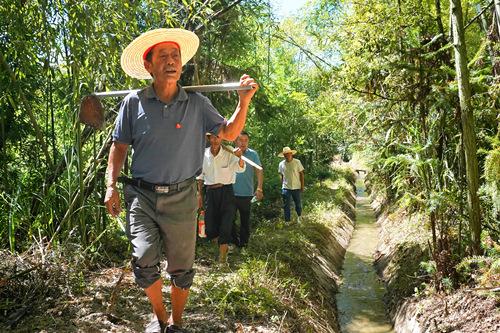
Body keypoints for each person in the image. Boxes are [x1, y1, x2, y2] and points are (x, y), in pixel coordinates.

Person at [104, 28, 258, 333]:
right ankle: (159, 317)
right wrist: (111, 185)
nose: (172, 61)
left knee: (181, 268)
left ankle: (176, 321)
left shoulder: (197, 103)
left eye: (176, 55)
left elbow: (227, 132)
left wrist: (243, 102)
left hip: (183, 195)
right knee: (144, 259)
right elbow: (119, 146)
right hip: (142, 196)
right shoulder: (133, 103)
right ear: (149, 65)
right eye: (164, 56)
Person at [197, 133, 245, 263]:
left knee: (226, 222)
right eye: (212, 137)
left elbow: (240, 169)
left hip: (226, 191)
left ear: (222, 138)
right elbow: (200, 176)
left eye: (218, 137)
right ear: (208, 138)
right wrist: (199, 194)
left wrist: (240, 158)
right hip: (210, 192)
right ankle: (221, 246)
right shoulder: (204, 154)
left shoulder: (229, 152)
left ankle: (223, 256)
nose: (215, 140)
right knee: (210, 226)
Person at [231, 131, 263, 248]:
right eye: (240, 140)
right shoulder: (230, 153)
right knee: (230, 220)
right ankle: (234, 242)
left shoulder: (253, 154)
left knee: (245, 220)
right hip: (231, 193)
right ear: (236, 141)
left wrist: (259, 187)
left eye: (245, 140)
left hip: (246, 193)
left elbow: (259, 170)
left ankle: (244, 245)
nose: (243, 143)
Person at [278, 147, 304, 223]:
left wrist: (302, 186)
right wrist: (282, 185)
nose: (287, 155)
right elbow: (281, 175)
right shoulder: (281, 164)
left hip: (296, 187)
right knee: (286, 205)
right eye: (285, 154)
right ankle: (287, 221)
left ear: (291, 154)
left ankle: (299, 217)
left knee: (298, 204)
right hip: (286, 188)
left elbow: (301, 174)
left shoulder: (297, 162)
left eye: (288, 153)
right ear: (284, 155)